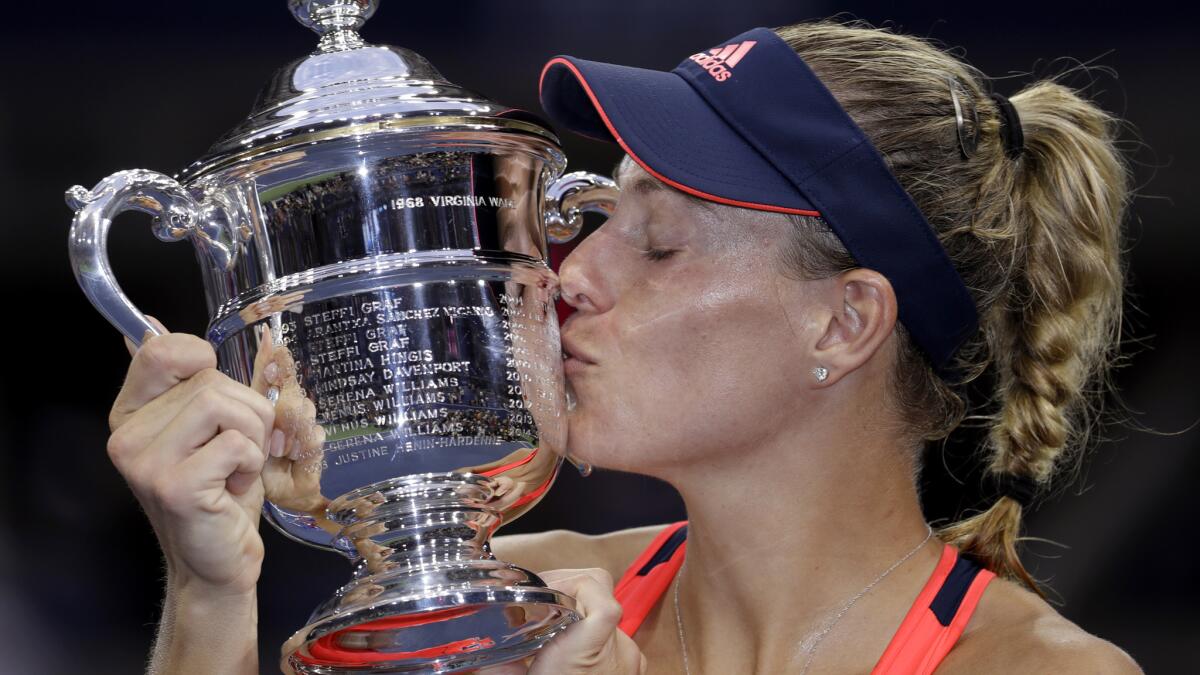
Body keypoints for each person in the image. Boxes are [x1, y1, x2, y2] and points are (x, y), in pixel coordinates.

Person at [103, 20, 1142, 675]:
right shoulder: (507, 597)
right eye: (592, 219)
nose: (572, 274)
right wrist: (208, 598)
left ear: (844, 322)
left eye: (660, 243)